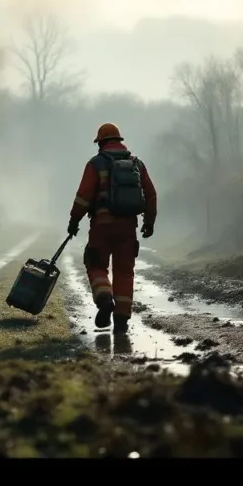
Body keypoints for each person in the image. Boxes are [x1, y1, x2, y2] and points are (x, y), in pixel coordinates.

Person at [66, 123, 157, 335]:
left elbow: (83, 196)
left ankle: (105, 299)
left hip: (101, 227)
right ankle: (122, 321)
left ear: (101, 143)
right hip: (128, 228)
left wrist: (74, 220)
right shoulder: (137, 164)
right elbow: (151, 194)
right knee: (125, 272)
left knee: (96, 265)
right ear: (119, 140)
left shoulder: (96, 163)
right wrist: (149, 222)